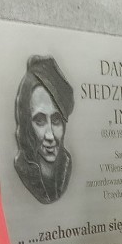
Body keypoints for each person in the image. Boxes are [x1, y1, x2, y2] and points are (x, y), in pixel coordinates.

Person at [13, 55, 74, 204]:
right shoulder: (23, 169)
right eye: (40, 121)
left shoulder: (66, 167)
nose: (50, 135)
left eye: (56, 120)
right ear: (27, 123)